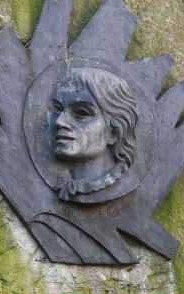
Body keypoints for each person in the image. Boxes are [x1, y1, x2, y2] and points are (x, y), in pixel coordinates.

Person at [47, 67, 138, 200]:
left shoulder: (126, 188)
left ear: (113, 132)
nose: (59, 122)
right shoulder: (63, 186)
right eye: (58, 110)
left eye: (81, 113)